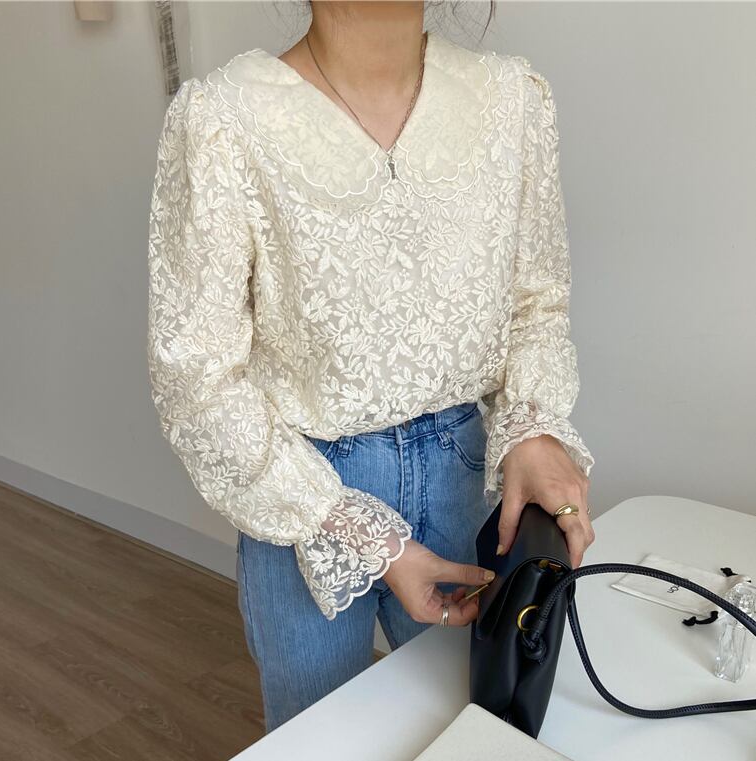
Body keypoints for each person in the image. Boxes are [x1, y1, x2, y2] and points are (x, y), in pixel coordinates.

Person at [146, 1, 596, 733]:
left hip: (464, 476)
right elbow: (196, 378)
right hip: (299, 494)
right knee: (317, 739)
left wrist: (534, 426)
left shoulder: (512, 101)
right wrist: (356, 533)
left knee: (475, 733)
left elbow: (536, 303)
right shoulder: (224, 119)